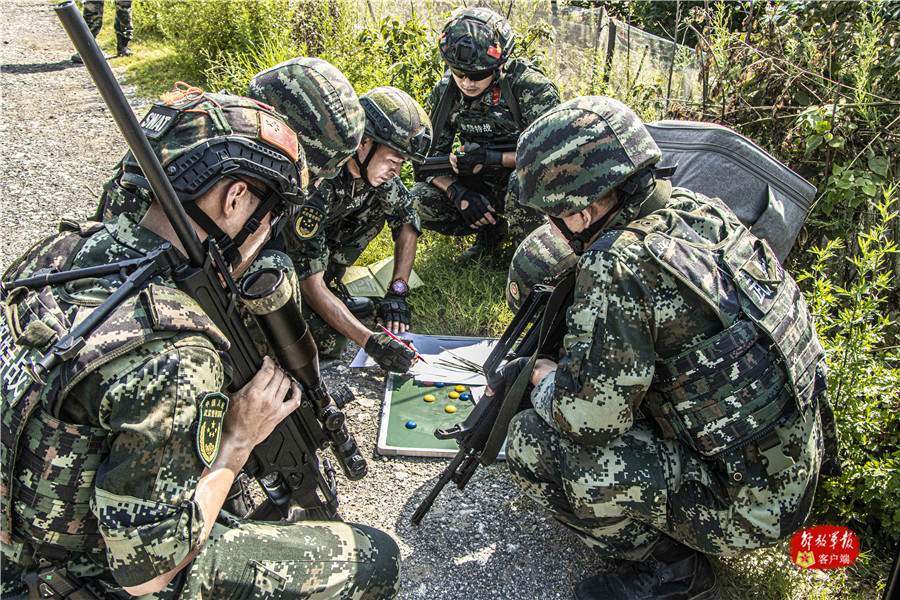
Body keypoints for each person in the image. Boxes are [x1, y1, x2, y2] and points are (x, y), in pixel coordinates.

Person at [0, 92, 401, 599]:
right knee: (375, 557)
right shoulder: (175, 351)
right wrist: (237, 437)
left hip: (20, 536)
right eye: (268, 215)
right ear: (234, 199)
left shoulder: (56, 256)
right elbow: (147, 574)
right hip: (70, 579)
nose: (266, 235)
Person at [498, 96, 839, 600]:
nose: (552, 229)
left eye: (553, 217)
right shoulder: (705, 213)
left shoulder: (617, 264)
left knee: (529, 439)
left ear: (587, 209)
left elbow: (592, 418)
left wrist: (543, 377)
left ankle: (672, 572)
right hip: (792, 469)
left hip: (752, 507)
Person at [252, 79, 432, 370]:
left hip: (317, 259)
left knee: (380, 204)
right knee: (328, 341)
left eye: (402, 163)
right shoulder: (318, 181)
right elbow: (310, 284)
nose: (396, 171)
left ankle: (332, 288)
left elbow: (406, 217)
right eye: (394, 160)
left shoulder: (373, 170)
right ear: (364, 143)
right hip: (281, 266)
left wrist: (397, 291)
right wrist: (372, 342)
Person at [410, 6, 560, 263]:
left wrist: (492, 158)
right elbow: (426, 161)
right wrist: (457, 191)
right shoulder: (446, 93)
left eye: (478, 74)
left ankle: (533, 259)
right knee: (416, 199)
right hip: (478, 183)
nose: (467, 82)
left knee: (522, 181)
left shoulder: (530, 89)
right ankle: (490, 237)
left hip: (525, 183)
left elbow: (552, 156)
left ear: (498, 65)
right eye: (459, 73)